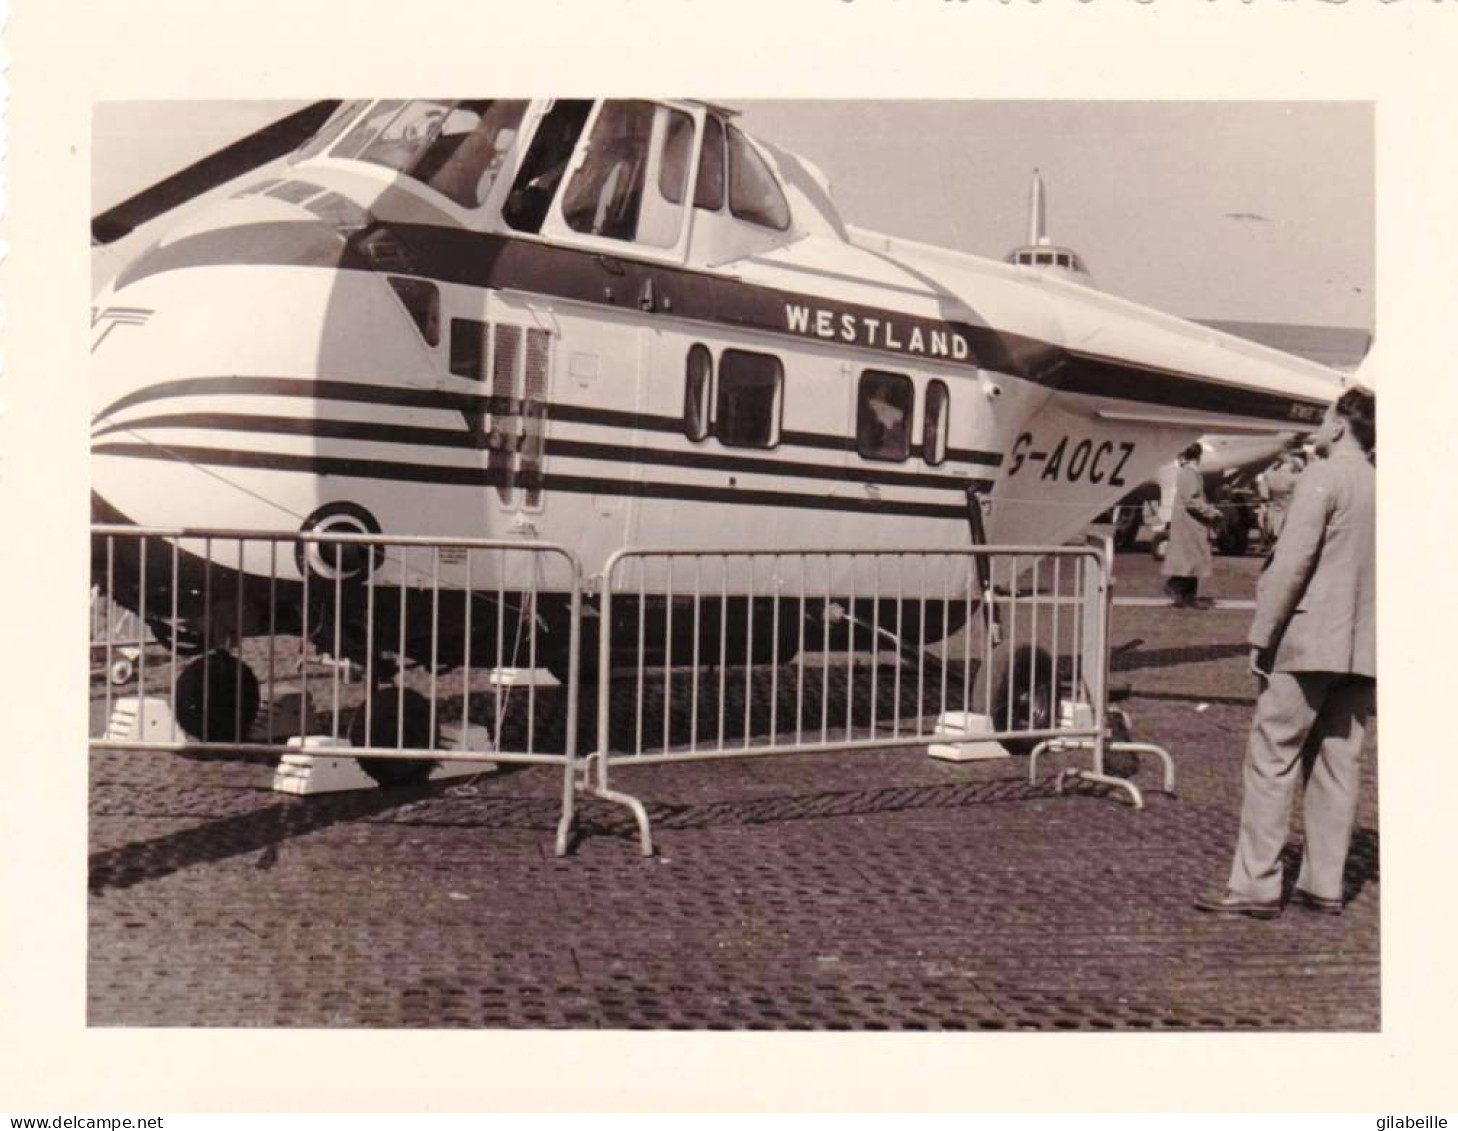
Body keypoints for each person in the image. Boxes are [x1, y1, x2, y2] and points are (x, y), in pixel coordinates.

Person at [1195, 387, 1376, 919]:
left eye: (1325, 416)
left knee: (1272, 758)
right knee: (1338, 764)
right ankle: (1324, 884)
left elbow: (1292, 564)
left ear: (1341, 425)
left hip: (1306, 643)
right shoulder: (1385, 484)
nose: (1319, 425)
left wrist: (1262, 634)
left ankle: (1256, 886)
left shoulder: (1322, 477)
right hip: (1363, 648)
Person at [1161, 443, 1223, 607]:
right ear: (1198, 456)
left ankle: (1187, 596)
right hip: (1190, 523)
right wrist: (1211, 512)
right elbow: (1192, 500)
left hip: (1190, 522)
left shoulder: (1188, 473)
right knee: (1191, 557)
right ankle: (1176, 586)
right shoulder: (1189, 473)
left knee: (1193, 558)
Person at [1257, 449, 1304, 545]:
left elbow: (1264, 492)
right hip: (1289, 508)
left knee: (1274, 528)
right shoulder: (1296, 478)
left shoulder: (1270, 475)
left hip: (1274, 507)